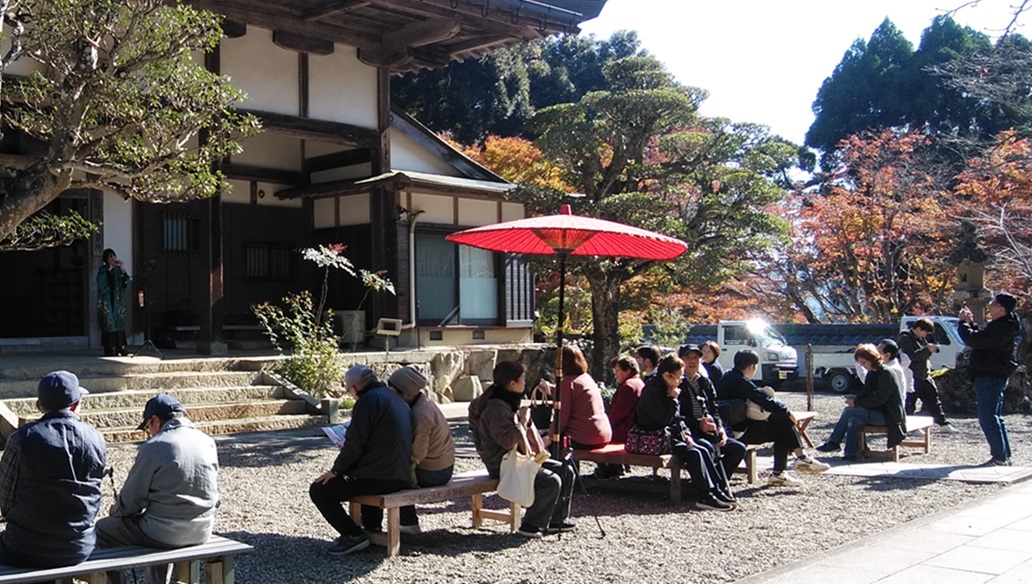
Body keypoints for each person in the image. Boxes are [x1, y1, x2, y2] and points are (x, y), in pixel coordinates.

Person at [96, 393, 218, 584]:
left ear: (155, 420)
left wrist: (116, 511)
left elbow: (131, 501)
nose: (149, 433)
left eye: (147, 427)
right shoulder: (207, 441)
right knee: (155, 520)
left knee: (103, 529)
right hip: (203, 529)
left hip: (164, 532)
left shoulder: (155, 445)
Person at [0, 371, 107, 568]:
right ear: (76, 405)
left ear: (39, 406)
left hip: (23, 547)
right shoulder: (96, 439)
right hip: (78, 547)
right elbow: (95, 496)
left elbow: (4, 499)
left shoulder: (20, 439)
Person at [309, 365, 412, 555]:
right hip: (401, 474)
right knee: (363, 473)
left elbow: (355, 444)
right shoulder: (396, 398)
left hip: (379, 477)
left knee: (320, 490)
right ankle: (372, 527)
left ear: (355, 388)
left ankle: (354, 535)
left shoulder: (366, 402)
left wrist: (336, 471)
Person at [470, 360, 575, 537]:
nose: (525, 383)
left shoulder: (506, 402)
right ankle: (531, 525)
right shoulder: (496, 409)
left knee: (566, 470)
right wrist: (524, 421)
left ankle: (556, 520)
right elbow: (508, 441)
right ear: (512, 383)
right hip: (503, 464)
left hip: (517, 459)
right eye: (523, 379)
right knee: (550, 481)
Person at [635, 354, 734, 511]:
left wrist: (686, 433)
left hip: (669, 435)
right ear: (666, 375)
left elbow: (678, 418)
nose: (681, 381)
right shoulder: (652, 391)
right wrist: (672, 400)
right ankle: (704, 495)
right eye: (678, 377)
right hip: (653, 437)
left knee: (703, 447)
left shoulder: (669, 388)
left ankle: (715, 489)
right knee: (694, 453)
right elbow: (663, 419)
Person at [718, 349, 829, 486]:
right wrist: (787, 411)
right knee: (782, 424)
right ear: (752, 366)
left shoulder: (728, 377)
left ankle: (792, 464)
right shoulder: (740, 381)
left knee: (781, 423)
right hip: (736, 433)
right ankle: (791, 464)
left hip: (733, 427)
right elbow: (762, 399)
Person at [387, 366, 455, 535]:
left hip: (436, 472)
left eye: (392, 390)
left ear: (406, 393)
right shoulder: (423, 403)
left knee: (393, 479)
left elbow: (418, 453)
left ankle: (408, 523)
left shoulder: (420, 413)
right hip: (442, 465)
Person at [959, 293, 1021, 467]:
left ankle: (999, 457)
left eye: (993, 303)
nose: (990, 305)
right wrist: (971, 323)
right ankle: (1004, 455)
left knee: (988, 417)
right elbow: (982, 339)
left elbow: (976, 341)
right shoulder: (1004, 325)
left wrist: (963, 324)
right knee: (995, 417)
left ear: (1001, 309)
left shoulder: (1001, 327)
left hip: (990, 374)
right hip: (995, 374)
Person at [816, 344, 906, 461]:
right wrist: (855, 397)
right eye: (861, 363)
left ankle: (834, 442)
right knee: (854, 420)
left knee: (849, 411)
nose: (863, 366)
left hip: (889, 415)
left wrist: (856, 403)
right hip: (876, 412)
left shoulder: (886, 373)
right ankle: (851, 453)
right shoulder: (872, 373)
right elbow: (866, 392)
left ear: (872, 358)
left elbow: (880, 398)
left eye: (864, 362)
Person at [678, 344, 747, 486]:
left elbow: (714, 408)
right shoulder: (678, 383)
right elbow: (677, 415)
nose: (693, 361)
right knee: (707, 447)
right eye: (688, 357)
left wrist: (720, 428)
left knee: (738, 448)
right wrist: (698, 424)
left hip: (709, 429)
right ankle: (705, 485)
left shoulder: (705, 382)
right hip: (689, 430)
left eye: (696, 357)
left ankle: (717, 483)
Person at [591, 356, 644, 479]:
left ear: (628, 370)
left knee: (593, 435)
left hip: (623, 430)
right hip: (631, 429)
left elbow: (618, 414)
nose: (615, 374)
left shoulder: (628, 387)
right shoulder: (638, 383)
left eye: (618, 371)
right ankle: (611, 467)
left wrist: (604, 426)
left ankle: (607, 467)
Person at [897, 318, 953, 430]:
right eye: (925, 332)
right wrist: (927, 350)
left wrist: (930, 349)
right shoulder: (905, 338)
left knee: (933, 400)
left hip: (924, 374)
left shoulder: (920, 338)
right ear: (918, 328)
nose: (926, 335)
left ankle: (943, 424)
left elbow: (923, 355)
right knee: (910, 402)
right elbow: (911, 357)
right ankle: (910, 426)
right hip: (912, 375)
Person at [559, 345, 612, 450]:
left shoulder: (568, 383)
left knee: (546, 440)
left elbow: (561, 417)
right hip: (604, 434)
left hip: (584, 438)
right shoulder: (587, 378)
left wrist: (549, 437)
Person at [97, 248, 131, 356]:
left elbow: (126, 283)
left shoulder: (118, 270)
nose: (112, 258)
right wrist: (109, 270)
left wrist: (123, 270)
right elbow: (101, 284)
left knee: (119, 323)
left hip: (117, 300)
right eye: (110, 257)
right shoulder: (102, 270)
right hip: (107, 300)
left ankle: (120, 347)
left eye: (113, 256)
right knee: (108, 323)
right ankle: (109, 348)